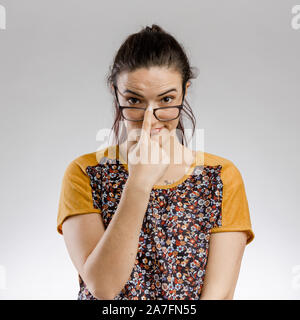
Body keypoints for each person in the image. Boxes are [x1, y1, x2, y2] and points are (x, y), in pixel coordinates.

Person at [57, 24, 255, 300]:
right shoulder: (85, 174)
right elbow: (103, 287)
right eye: (134, 100)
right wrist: (138, 183)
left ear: (184, 92)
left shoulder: (219, 177)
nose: (150, 119)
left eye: (166, 99)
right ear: (116, 93)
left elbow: (218, 295)